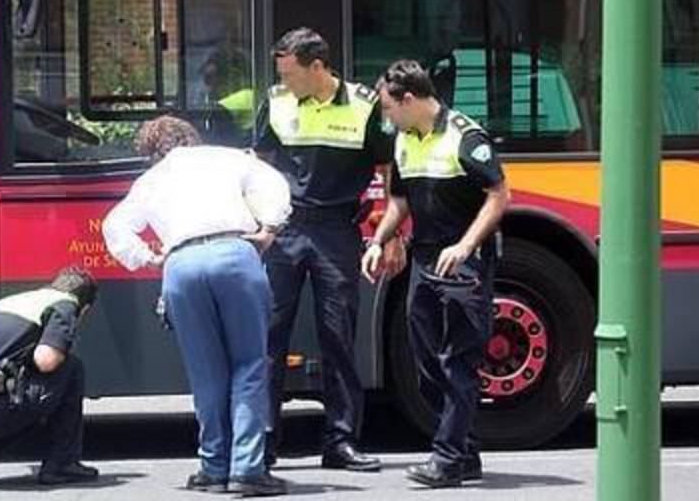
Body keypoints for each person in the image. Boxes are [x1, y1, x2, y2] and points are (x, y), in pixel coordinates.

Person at [103, 116, 291, 496]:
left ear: (150, 152)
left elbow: (115, 227)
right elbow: (274, 185)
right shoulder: (227, 157)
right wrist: (269, 228)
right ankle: (248, 470)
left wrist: (148, 259)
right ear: (191, 138)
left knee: (206, 373)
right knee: (250, 366)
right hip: (235, 254)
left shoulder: (150, 179)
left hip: (181, 264)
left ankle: (212, 466)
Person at [254, 27, 401, 472]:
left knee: (338, 337)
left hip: (338, 231)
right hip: (285, 229)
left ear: (318, 68)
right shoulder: (277, 103)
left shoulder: (363, 105)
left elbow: (389, 166)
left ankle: (340, 442)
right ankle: (262, 442)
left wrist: (389, 232)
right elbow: (258, 166)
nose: (284, 82)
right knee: (269, 337)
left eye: (291, 72)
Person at [362, 59, 510, 488]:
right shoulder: (404, 141)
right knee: (426, 362)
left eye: (389, 109)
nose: (386, 119)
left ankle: (446, 460)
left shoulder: (465, 136)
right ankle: (465, 454)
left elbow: (499, 195)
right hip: (425, 261)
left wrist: (465, 245)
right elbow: (399, 204)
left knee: (459, 361)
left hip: (465, 264)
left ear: (409, 100)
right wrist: (377, 242)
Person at [0, 266, 100, 487]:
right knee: (70, 369)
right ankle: (61, 464)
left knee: (23, 393)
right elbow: (46, 361)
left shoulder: (13, 301)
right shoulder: (65, 305)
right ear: (85, 308)